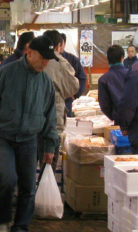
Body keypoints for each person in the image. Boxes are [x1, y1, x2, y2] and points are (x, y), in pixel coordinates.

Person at [0, 35, 58, 232]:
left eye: (49, 59)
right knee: (9, 178)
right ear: (29, 52)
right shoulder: (7, 73)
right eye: (42, 58)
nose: (45, 63)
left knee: (29, 184)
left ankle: (21, 227)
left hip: (29, 138)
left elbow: (50, 116)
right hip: (2, 135)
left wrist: (50, 145)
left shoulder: (46, 82)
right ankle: (2, 221)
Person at [42, 30, 79, 166]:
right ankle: (45, 186)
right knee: (49, 161)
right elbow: (73, 86)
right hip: (54, 119)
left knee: (30, 165)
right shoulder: (60, 62)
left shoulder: (32, 59)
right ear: (58, 45)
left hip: (30, 123)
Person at [98, 45, 128, 125]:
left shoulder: (103, 79)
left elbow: (104, 105)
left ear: (108, 59)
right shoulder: (133, 74)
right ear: (122, 57)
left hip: (119, 121)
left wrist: (114, 115)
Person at [60, 33, 87, 117]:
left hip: (67, 99)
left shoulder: (72, 59)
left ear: (64, 43)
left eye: (61, 43)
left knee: (66, 124)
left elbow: (82, 77)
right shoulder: (47, 59)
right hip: (49, 100)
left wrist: (76, 94)